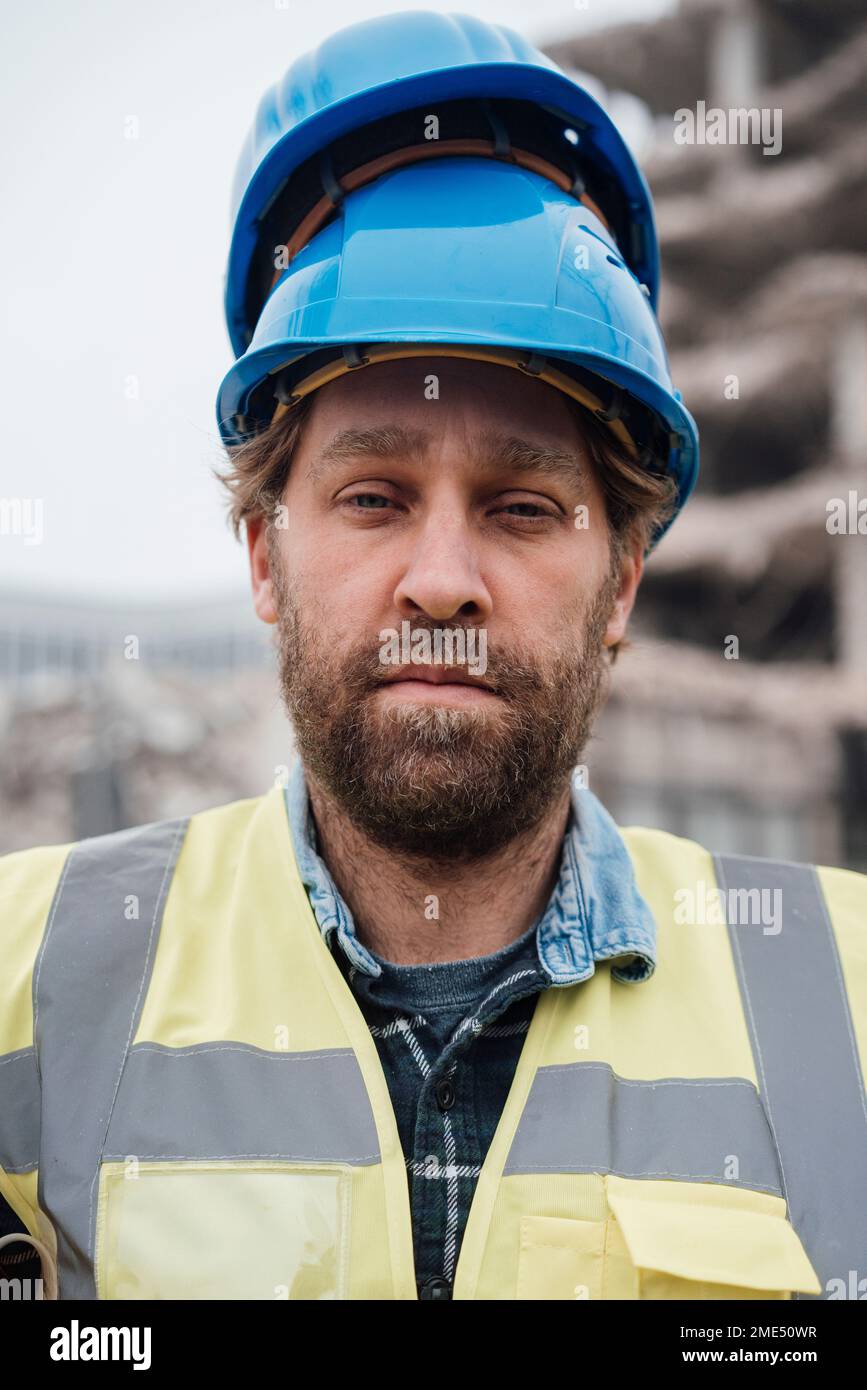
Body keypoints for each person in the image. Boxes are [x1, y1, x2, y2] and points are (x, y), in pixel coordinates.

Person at [1, 11, 865, 1302]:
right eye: (372, 496)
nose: (444, 580)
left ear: (623, 577)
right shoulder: (25, 975)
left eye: (523, 508)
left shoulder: (849, 997)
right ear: (261, 557)